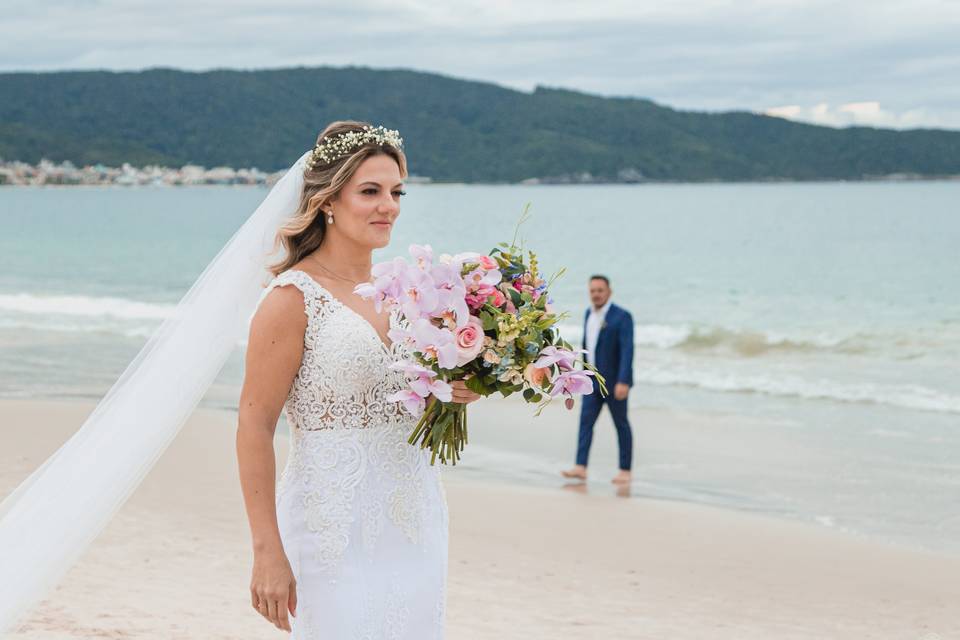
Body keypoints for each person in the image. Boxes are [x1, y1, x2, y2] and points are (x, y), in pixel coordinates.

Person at [236, 121, 480, 638]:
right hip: (331, 525)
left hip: (413, 516)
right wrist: (266, 551)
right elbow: (254, 426)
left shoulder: (408, 292)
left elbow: (414, 398)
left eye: (396, 192)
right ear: (328, 200)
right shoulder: (291, 299)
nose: (388, 205)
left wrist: (457, 394)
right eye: (369, 191)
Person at [561, 275, 634, 485]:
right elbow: (589, 347)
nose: (596, 294)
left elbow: (628, 350)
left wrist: (624, 380)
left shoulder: (622, 316)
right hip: (591, 382)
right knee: (585, 423)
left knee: (621, 425)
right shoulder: (588, 314)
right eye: (592, 290)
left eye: (600, 290)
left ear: (609, 291)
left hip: (614, 382)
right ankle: (580, 467)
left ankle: (625, 470)